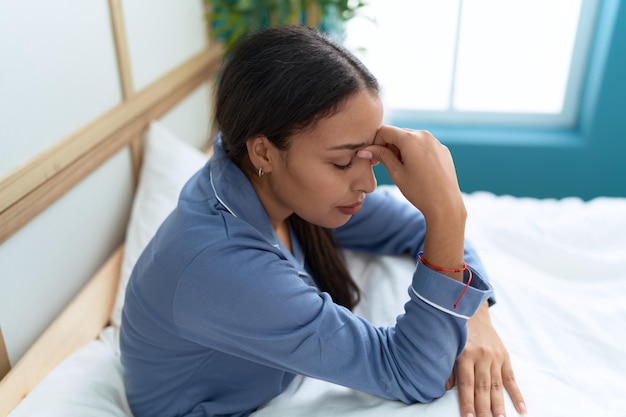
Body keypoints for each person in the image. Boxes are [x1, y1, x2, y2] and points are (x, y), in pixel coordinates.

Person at [120, 25, 526, 417]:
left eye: (366, 157)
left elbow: (414, 231)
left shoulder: (265, 179)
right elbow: (413, 371)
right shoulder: (223, 264)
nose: (368, 184)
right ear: (263, 152)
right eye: (342, 162)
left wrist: (475, 317)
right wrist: (448, 212)